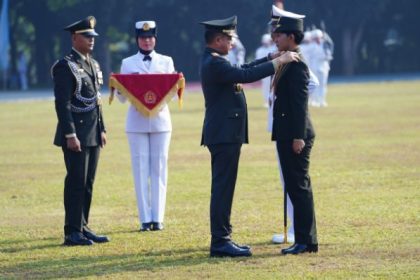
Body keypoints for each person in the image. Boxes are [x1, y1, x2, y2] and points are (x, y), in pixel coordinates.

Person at [199, 15, 299, 258]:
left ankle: (223, 237)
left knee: (224, 187)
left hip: (225, 133)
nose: (233, 42)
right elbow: (244, 77)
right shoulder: (214, 63)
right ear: (219, 39)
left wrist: (268, 58)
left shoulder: (218, 61)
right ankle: (220, 241)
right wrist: (279, 61)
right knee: (223, 188)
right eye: (230, 38)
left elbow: (242, 69)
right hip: (224, 134)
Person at [51, 16, 109, 246]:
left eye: (93, 36)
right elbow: (62, 103)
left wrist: (102, 128)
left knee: (88, 182)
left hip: (93, 131)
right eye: (87, 36)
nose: (91, 40)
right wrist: (70, 134)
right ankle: (72, 231)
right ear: (75, 38)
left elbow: (97, 100)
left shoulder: (92, 63)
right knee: (76, 181)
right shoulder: (65, 66)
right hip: (76, 133)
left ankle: (83, 226)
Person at [116, 21, 175, 232]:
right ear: (137, 39)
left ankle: (157, 218)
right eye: (143, 37)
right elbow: (121, 98)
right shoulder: (127, 63)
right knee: (140, 170)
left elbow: (172, 92)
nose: (147, 40)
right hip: (136, 122)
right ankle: (144, 219)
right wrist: (125, 87)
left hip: (160, 121)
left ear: (155, 39)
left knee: (159, 168)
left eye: (150, 37)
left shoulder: (166, 61)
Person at [268, 6, 319, 245]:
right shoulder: (286, 60)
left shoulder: (296, 63)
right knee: (295, 186)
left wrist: (298, 136)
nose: (274, 38)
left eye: (278, 34)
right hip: (287, 132)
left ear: (291, 36)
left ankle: (305, 241)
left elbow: (300, 103)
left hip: (295, 135)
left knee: (299, 187)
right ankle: (303, 239)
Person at [309, 29, 333, 107]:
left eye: (319, 37)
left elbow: (331, 46)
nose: (318, 39)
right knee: (316, 84)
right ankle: (316, 101)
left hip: (324, 67)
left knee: (323, 85)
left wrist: (327, 37)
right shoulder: (311, 46)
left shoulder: (325, 45)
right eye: (316, 38)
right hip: (315, 67)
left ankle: (322, 100)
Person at [255, 34, 276, 107]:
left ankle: (272, 100)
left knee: (273, 85)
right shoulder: (259, 50)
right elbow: (258, 61)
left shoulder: (273, 49)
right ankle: (266, 101)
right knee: (265, 86)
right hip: (263, 71)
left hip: (272, 70)